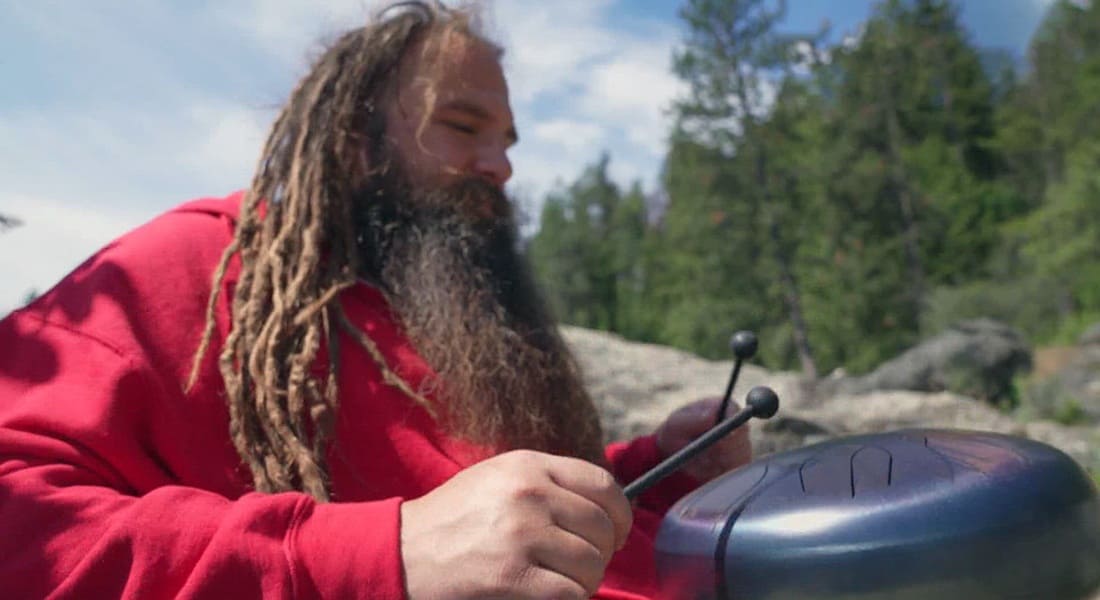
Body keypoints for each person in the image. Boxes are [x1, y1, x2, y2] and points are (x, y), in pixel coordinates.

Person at [0, 3, 752, 598]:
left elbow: (491, 516)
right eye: (463, 126)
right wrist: (384, 556)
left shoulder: (448, 302)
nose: (499, 166)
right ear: (354, 139)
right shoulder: (192, 271)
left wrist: (660, 468)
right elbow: (21, 528)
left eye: (509, 142)